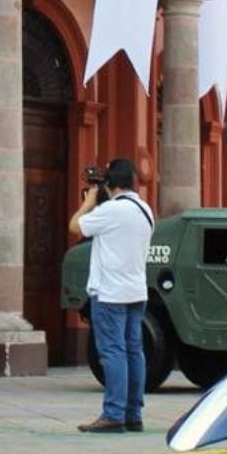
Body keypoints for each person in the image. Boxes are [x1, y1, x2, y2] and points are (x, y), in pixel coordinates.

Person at [71, 160, 155, 433]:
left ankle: (113, 413)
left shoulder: (111, 210)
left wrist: (91, 200)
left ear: (111, 183)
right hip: (136, 291)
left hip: (110, 293)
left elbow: (75, 226)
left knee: (112, 352)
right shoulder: (145, 209)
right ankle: (133, 413)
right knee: (134, 351)